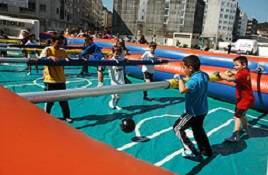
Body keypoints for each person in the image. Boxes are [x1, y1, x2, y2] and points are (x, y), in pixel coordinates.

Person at [173, 55, 213, 159]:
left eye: (184, 67)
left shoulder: (193, 81)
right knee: (198, 130)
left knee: (177, 128)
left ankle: (190, 150)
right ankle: (206, 150)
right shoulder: (203, 75)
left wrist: (180, 79)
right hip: (202, 110)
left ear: (190, 68)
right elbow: (203, 78)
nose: (183, 70)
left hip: (192, 112)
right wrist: (187, 78)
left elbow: (182, 90)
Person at [220, 56, 254, 142]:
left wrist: (220, 75)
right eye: (234, 65)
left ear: (244, 65)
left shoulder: (241, 74)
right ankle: (245, 129)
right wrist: (232, 72)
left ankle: (235, 136)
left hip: (244, 101)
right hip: (245, 99)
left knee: (237, 116)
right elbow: (237, 75)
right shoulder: (245, 71)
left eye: (236, 65)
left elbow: (229, 79)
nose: (234, 67)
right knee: (242, 115)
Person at [39, 34, 72, 123]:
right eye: (58, 43)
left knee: (64, 100)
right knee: (49, 101)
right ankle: (46, 117)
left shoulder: (62, 51)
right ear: (53, 42)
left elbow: (69, 60)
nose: (60, 45)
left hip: (61, 79)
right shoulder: (47, 49)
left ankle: (67, 116)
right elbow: (41, 59)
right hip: (50, 80)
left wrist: (80, 59)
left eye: (62, 43)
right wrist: (49, 57)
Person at [108, 45, 125, 110]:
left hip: (121, 80)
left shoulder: (121, 59)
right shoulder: (111, 61)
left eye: (119, 52)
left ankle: (115, 104)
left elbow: (124, 58)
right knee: (114, 96)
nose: (117, 54)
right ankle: (112, 103)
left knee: (119, 96)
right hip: (114, 81)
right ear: (113, 52)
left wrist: (126, 60)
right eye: (116, 52)